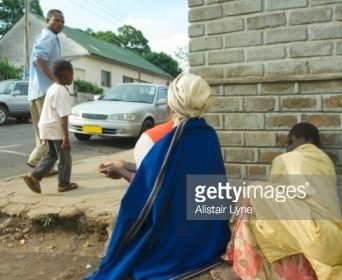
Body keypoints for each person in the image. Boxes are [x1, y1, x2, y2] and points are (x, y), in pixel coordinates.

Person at [85, 72, 231, 279]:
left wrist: (121, 171)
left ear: (171, 103)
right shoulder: (207, 135)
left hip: (177, 235)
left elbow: (150, 196)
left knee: (130, 235)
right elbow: (178, 179)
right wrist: (126, 166)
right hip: (209, 234)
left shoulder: (160, 141)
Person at [211, 122, 342, 280]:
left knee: (252, 196)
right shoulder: (326, 162)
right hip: (335, 244)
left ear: (291, 139)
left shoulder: (286, 159)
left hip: (314, 241)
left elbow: (270, 214)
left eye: (286, 144)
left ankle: (242, 268)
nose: (285, 148)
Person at [23, 60, 78, 194]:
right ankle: (64, 184)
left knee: (52, 155)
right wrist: (66, 137)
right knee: (65, 157)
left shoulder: (52, 88)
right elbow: (63, 116)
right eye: (72, 74)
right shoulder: (62, 91)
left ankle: (35, 176)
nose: (72, 77)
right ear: (65, 74)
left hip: (45, 126)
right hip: (55, 128)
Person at [27, 9, 64, 168]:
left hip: (35, 92)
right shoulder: (49, 36)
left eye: (62, 22)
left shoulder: (45, 37)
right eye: (55, 20)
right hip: (44, 92)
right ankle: (36, 161)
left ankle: (43, 168)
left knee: (41, 133)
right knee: (49, 131)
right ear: (47, 20)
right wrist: (56, 80)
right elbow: (39, 60)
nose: (59, 24)